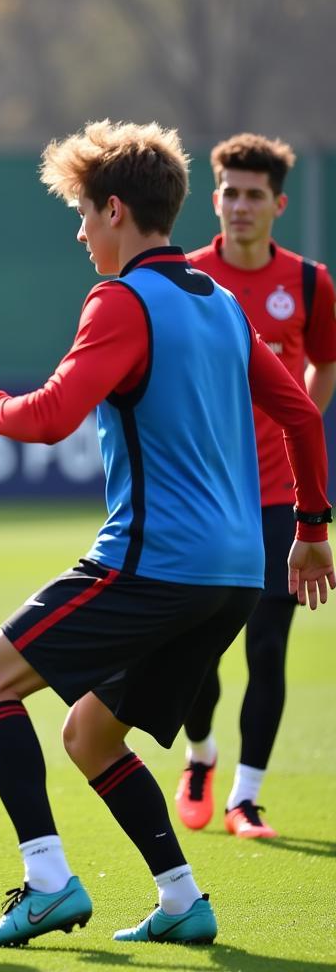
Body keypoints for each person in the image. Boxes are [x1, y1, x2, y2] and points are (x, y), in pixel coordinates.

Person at [0, 119, 333, 947]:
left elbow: (48, 418)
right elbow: (301, 410)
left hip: (155, 563)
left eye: (83, 214)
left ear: (115, 210)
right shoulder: (220, 303)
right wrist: (309, 528)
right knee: (89, 733)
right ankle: (183, 898)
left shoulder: (121, 302)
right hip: (234, 573)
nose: (81, 233)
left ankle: (47, 882)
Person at [175, 134, 336, 840]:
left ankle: (246, 798)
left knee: (268, 645)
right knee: (194, 651)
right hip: (204, 495)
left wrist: (300, 426)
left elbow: (324, 366)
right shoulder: (184, 276)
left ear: (279, 204)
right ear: (215, 200)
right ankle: (202, 752)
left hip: (277, 496)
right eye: (229, 193)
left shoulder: (308, 283)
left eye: (253, 195)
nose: (240, 206)